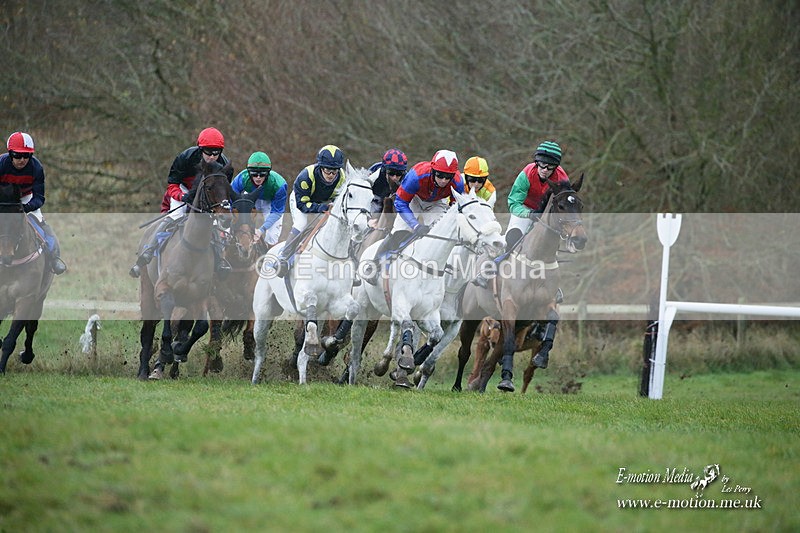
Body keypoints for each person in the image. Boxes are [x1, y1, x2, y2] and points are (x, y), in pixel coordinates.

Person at [130, 127, 232, 277]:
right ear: (200, 148)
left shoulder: (225, 164)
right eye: (208, 152)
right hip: (185, 189)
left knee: (215, 224)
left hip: (208, 194)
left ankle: (219, 261)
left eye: (216, 152)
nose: (212, 157)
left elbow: (222, 189)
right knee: (175, 216)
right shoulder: (185, 157)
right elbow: (172, 184)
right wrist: (181, 196)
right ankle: (146, 254)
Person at [473, 140, 570, 288]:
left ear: (556, 167)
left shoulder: (562, 180)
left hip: (545, 215)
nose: (544, 169)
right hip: (524, 209)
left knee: (550, 246)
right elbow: (513, 203)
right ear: (536, 162)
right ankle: (490, 269)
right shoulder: (526, 174)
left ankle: (554, 288)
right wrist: (529, 214)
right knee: (512, 239)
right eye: (541, 165)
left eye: (549, 167)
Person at [363, 149, 464, 285]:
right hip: (413, 200)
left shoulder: (458, 182)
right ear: (433, 170)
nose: (444, 180)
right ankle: (374, 265)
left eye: (448, 177)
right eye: (440, 175)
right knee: (398, 232)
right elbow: (400, 202)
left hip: (437, 204)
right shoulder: (417, 175)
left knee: (439, 235)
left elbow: (456, 206)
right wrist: (415, 225)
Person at [273, 144, 346, 278]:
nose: (331, 175)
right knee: (302, 224)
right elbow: (303, 205)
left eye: (334, 171)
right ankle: (283, 257)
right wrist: (320, 208)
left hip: (323, 203)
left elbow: (339, 200)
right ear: (320, 167)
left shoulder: (342, 178)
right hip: (301, 201)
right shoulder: (306, 176)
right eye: (327, 170)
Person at [0, 132, 67, 274]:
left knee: (41, 224)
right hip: (4, 200)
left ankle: (53, 258)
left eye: (27, 155)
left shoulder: (36, 167)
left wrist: (25, 208)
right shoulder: (1, 164)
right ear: (10, 153)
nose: (22, 160)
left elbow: (39, 198)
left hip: (26, 198)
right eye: (17, 155)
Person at [231, 151, 287, 250]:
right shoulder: (241, 179)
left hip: (270, 202)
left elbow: (277, 212)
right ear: (248, 172)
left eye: (262, 174)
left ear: (268, 173)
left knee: (272, 235)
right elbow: (231, 202)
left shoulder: (280, 185)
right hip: (250, 198)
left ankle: (271, 255)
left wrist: (261, 230)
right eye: (254, 174)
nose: (258, 177)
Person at [367, 148, 408, 219]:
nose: (395, 177)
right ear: (384, 170)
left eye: (399, 173)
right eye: (391, 173)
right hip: (374, 200)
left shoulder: (406, 179)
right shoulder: (374, 171)